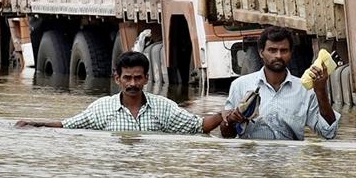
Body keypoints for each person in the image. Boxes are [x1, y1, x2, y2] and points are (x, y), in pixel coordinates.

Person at [16, 51, 225, 134]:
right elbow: (67, 125)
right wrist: (36, 123)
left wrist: (225, 115)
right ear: (117, 79)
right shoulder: (101, 108)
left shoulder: (164, 107)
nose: (132, 83)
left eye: (137, 78)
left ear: (146, 79)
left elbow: (198, 126)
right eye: (127, 78)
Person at [220, 26, 339, 140]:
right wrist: (231, 120)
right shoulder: (240, 85)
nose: (278, 56)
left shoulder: (304, 90)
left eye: (284, 51)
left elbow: (328, 132)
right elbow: (227, 134)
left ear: (291, 53)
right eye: (272, 50)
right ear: (261, 53)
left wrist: (320, 91)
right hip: (253, 159)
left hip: (291, 159)